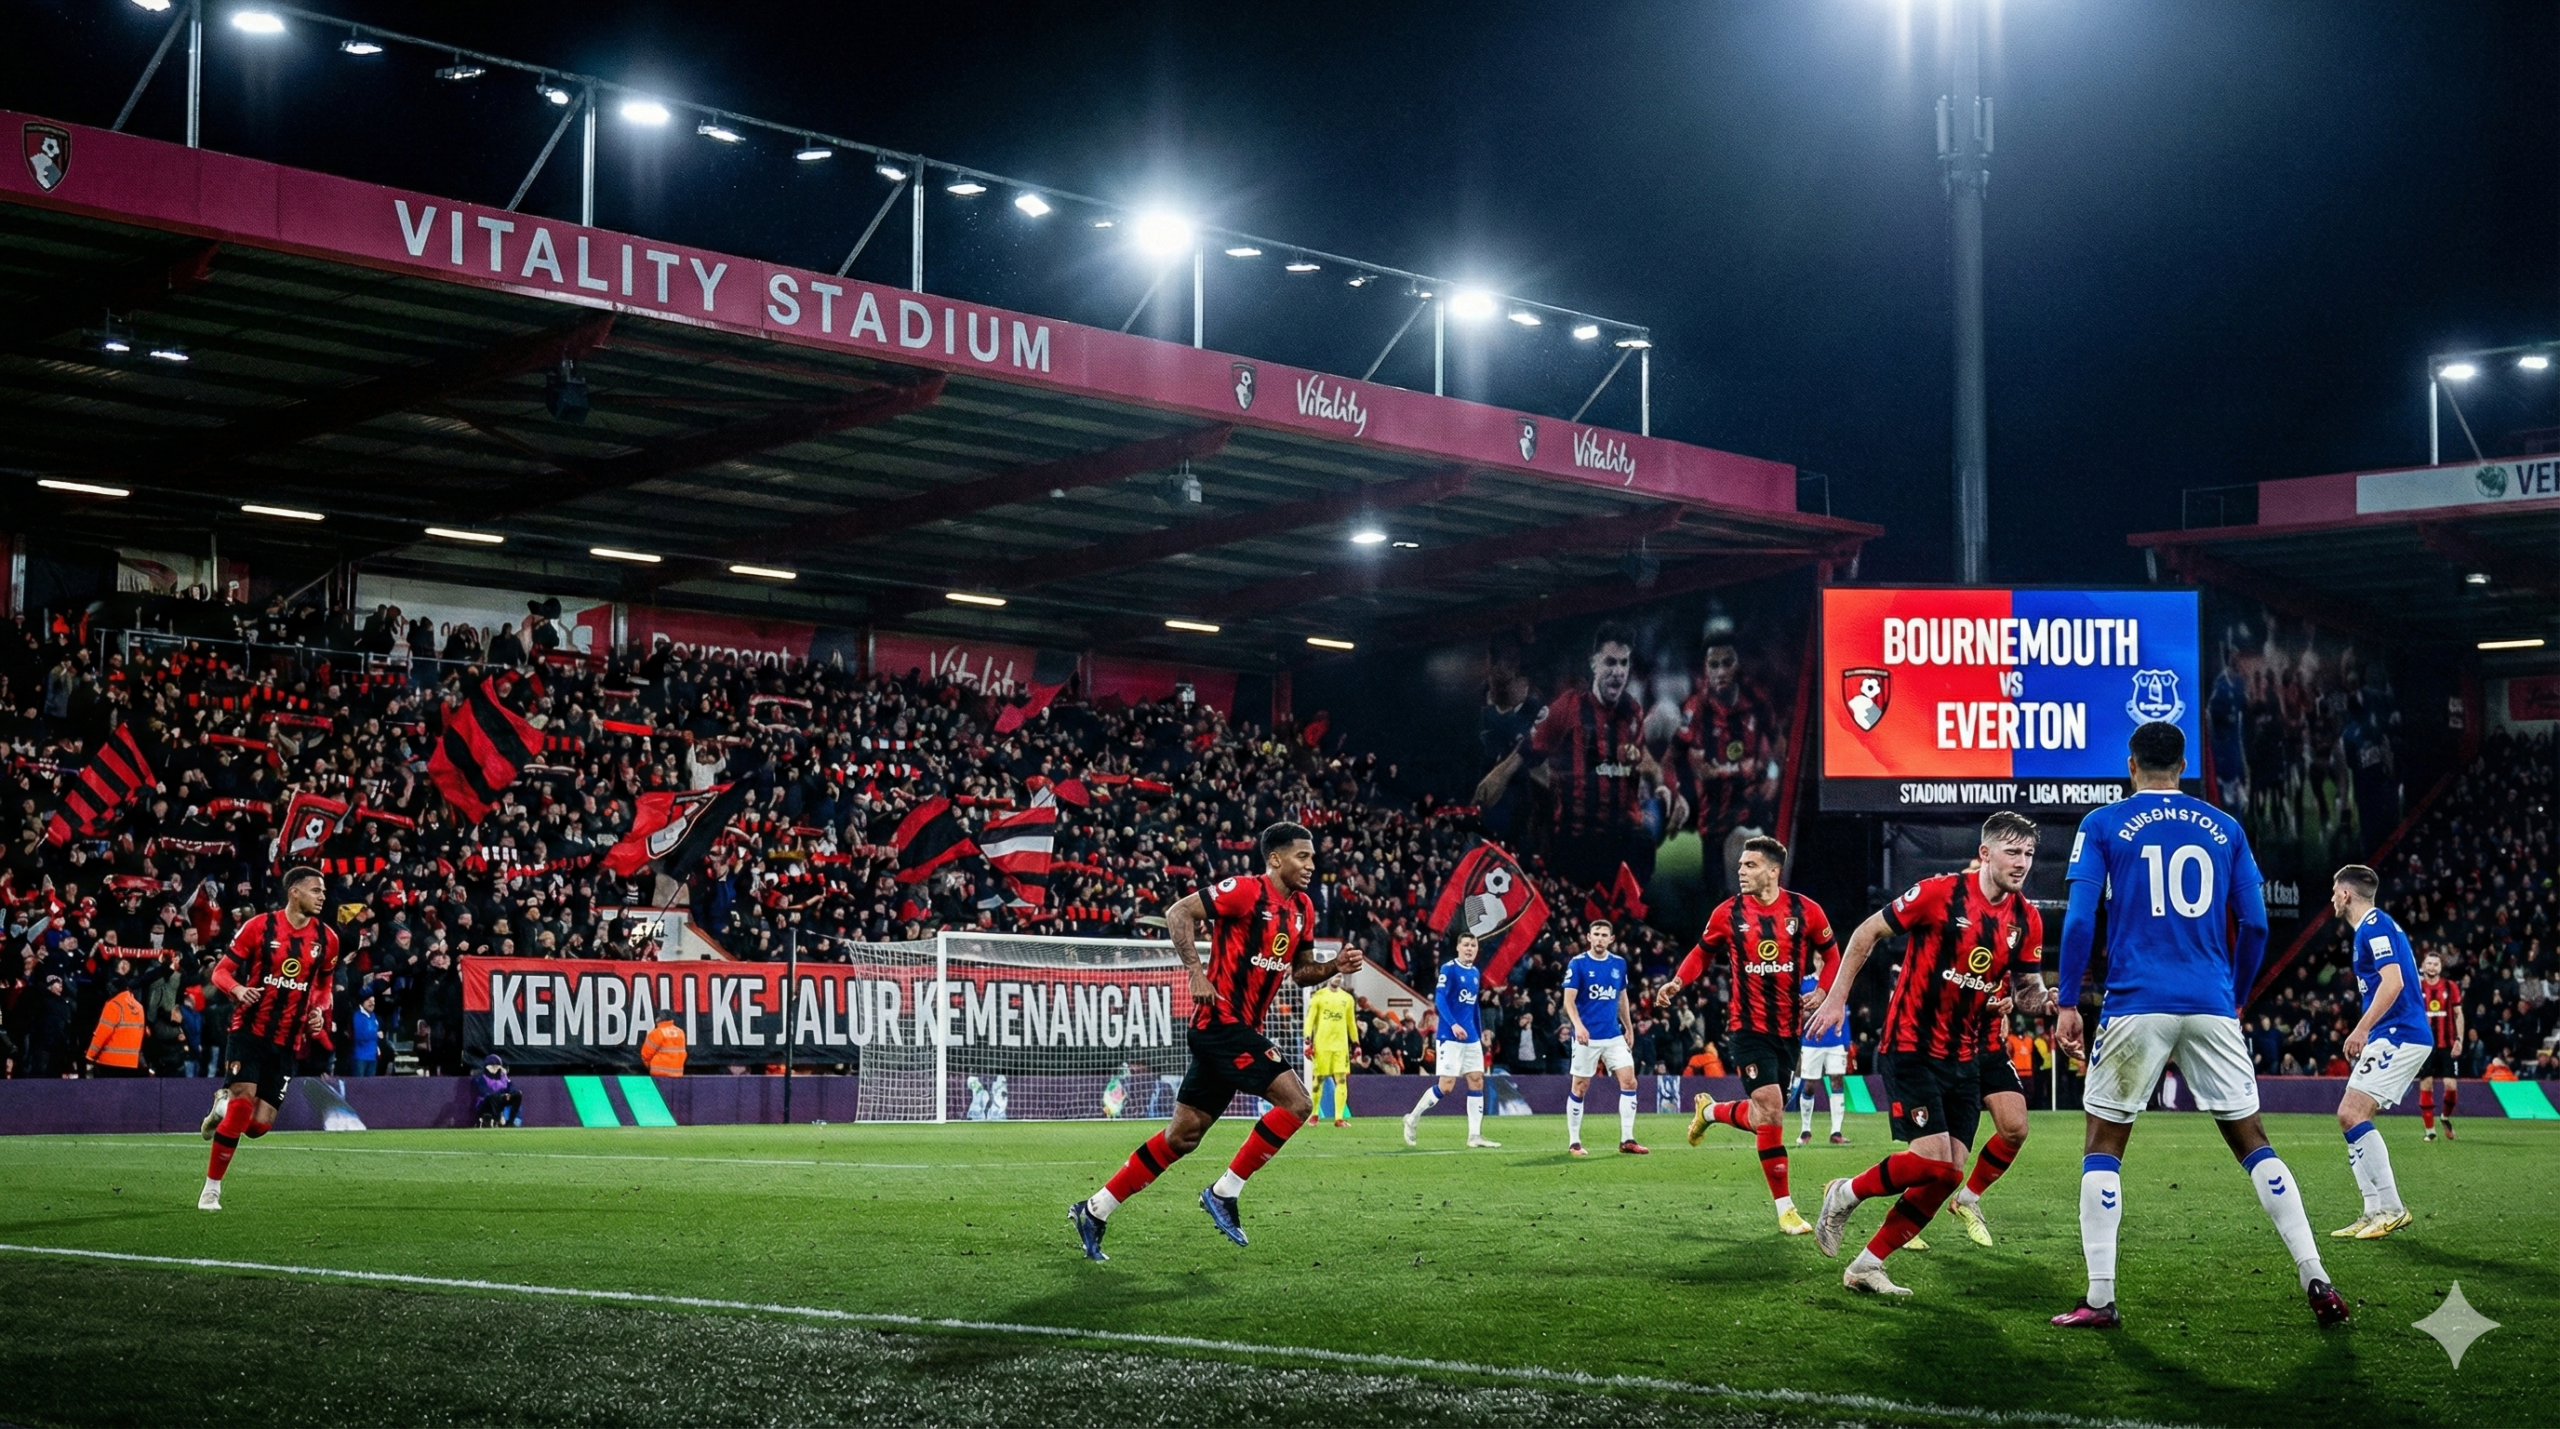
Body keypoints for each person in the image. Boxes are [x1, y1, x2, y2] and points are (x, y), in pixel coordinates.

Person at [2049, 722, 2347, 1329]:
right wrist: (2232, 998)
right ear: (2183, 766)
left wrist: (2068, 1002)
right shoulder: (2226, 828)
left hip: (2136, 1002)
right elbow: (2256, 925)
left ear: (2130, 764)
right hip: (2211, 1002)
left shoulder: (2102, 825)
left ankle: (2101, 1298)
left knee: (2104, 1143)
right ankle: (2314, 1272)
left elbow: (2080, 923)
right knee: (2252, 1139)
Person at [1070, 822, 1359, 1260]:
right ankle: (1224, 1192)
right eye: (1302, 856)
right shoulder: (1244, 891)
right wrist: (1195, 972)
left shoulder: (1302, 908)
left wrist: (1332, 965)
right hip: (1218, 1024)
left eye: (1313, 858)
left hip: (1239, 1029)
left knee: (1183, 1135)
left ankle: (1094, 1210)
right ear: (1276, 858)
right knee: (1298, 1103)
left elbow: (1301, 971)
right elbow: (1177, 913)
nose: (1311, 865)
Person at [1806, 811, 2049, 1296]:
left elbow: (2025, 989)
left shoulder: (2027, 918)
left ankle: (1866, 1265)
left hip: (1966, 1057)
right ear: (1985, 853)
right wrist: (1835, 997)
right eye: (2012, 851)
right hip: (1913, 1046)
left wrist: (2046, 1002)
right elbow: (1865, 934)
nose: (2022, 862)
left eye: (2028, 853)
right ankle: (1844, 1192)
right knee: (1936, 1164)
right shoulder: (1939, 893)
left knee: (1946, 1175)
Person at [1658, 835, 1835, 1234]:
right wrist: (1677, 981)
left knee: (1763, 1116)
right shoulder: (1727, 913)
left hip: (1789, 1029)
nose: (1741, 871)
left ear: (1773, 871)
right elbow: (1702, 952)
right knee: (1771, 1106)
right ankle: (1786, 1209)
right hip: (1746, 1025)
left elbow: (1833, 954)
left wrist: (1823, 989)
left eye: (1750, 865)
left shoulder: (1806, 911)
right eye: (1740, 865)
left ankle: (1711, 1112)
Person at [1472, 623, 1675, 888]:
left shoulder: (1632, 712)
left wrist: (1661, 787)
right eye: (1610, 662)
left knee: (1640, 845)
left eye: (1623, 663)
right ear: (1594, 665)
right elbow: (1522, 756)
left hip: (1621, 840)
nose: (1617, 671)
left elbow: (1643, 759)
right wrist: (1489, 788)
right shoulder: (1566, 708)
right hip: (1576, 842)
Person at [197, 866, 341, 1211]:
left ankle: (224, 1101)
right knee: (243, 1104)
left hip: (288, 1040)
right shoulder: (259, 926)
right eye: (316, 890)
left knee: (258, 1126)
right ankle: (211, 1190)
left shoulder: (328, 939)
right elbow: (220, 972)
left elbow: (323, 987)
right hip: (249, 1030)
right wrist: (239, 989)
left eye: (323, 891)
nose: (323, 896)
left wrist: (320, 1012)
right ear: (294, 892)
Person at [2326, 865, 2429, 1241]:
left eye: (2334, 890)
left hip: (2400, 1034)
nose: (2332, 897)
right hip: (2392, 1034)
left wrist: (2362, 1027)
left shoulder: (2374, 925)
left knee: (2351, 1113)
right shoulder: (2370, 928)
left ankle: (2392, 1208)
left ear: (2346, 894)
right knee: (2350, 1117)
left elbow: (2394, 981)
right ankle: (2372, 1210)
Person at [1402, 933, 1500, 1149]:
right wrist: (1453, 1024)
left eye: (1473, 945)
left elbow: (1473, 1006)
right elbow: (1440, 999)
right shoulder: (1449, 969)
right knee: (1446, 1086)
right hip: (1450, 1036)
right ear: (1458, 947)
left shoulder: (1475, 972)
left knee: (1477, 1080)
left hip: (1471, 1038)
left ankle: (1475, 1135)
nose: (1470, 948)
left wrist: (1481, 1031)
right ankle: (1412, 1118)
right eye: (1465, 945)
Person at [1564, 920, 1645, 1156]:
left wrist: (1628, 1028)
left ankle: (1627, 1139)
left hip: (1613, 1034)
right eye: (1595, 934)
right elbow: (1568, 1000)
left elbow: (1621, 997)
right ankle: (1574, 1142)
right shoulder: (1578, 964)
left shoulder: (1618, 964)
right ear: (1588, 937)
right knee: (1580, 1086)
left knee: (1629, 1081)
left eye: (1604, 935)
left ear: (1611, 939)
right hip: (1586, 1036)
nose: (1599, 938)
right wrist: (1578, 1026)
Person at [1795, 964, 1852, 1145]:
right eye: (1819, 958)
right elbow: (1797, 1009)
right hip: (1811, 1041)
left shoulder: (1838, 982)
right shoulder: (1805, 983)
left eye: (1824, 959)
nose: (1822, 962)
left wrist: (1847, 1042)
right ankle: (1805, 1130)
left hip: (1835, 1040)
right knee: (1810, 1084)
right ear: (1814, 959)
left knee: (1837, 1080)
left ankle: (1836, 1131)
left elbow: (1843, 1009)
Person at [2415, 952, 2463, 1142]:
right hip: (2424, 1045)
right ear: (2424, 966)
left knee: (2451, 1086)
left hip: (2447, 1044)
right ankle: (2430, 1131)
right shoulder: (2417, 988)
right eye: (2429, 963)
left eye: (2436, 964)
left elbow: (2459, 1014)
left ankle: (2445, 1116)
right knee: (2426, 1084)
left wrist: (2459, 1039)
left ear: (2440, 968)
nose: (2432, 967)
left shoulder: (2450, 987)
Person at [1305, 975, 1357, 1126]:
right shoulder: (1319, 996)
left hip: (1341, 1047)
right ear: (1329, 977)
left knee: (1341, 1080)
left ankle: (1339, 1118)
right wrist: (1307, 1040)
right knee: (1318, 1080)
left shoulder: (1347, 998)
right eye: (1335, 975)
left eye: (1340, 976)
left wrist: (1356, 1043)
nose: (1338, 978)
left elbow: (1351, 1023)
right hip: (1322, 1045)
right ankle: (1314, 1114)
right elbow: (1310, 1019)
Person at [83, 975, 148, 1078]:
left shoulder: (113, 1005)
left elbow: (102, 1034)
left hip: (110, 1064)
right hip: (131, 1063)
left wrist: (90, 1056)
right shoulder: (139, 1007)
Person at [474, 1055, 524, 1126]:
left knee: (518, 1094)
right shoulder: (480, 1078)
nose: (494, 1068)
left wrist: (509, 1094)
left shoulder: (503, 1077)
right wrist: (502, 1095)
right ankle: (497, 1120)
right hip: (485, 1102)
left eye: (497, 1066)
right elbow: (485, 1092)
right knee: (493, 1097)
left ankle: (510, 1122)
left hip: (500, 1099)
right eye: (492, 1066)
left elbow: (510, 1088)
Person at [642, 1010, 687, 1077]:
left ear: (659, 1019)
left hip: (659, 1072)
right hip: (677, 1073)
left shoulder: (657, 1033)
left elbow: (646, 1054)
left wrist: (649, 1065)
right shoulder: (680, 1032)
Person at [351, 994, 379, 1077]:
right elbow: (359, 1035)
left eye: (373, 1001)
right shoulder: (357, 1016)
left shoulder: (373, 1016)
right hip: (360, 1057)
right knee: (358, 1085)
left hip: (372, 1056)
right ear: (363, 1002)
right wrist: (375, 1034)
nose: (372, 1003)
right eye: (369, 1001)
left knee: (369, 1085)